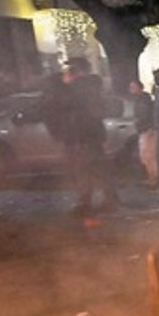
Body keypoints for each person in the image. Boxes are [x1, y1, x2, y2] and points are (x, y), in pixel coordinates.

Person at [42, 57, 119, 215]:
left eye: (68, 71)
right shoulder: (83, 88)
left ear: (77, 72)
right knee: (88, 169)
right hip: (81, 137)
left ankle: (92, 201)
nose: (64, 75)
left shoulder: (82, 89)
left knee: (87, 169)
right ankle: (98, 199)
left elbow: (74, 108)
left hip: (83, 137)